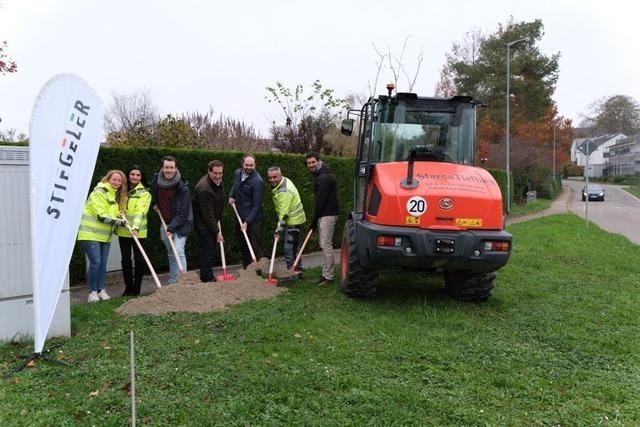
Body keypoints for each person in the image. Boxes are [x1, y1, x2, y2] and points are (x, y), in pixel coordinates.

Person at [77, 170, 128, 302]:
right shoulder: (99, 192)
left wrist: (121, 217)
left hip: (105, 236)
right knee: (96, 263)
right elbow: (101, 216)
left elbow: (113, 215)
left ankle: (101, 290)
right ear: (108, 179)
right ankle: (92, 292)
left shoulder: (114, 196)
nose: (116, 182)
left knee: (103, 264)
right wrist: (121, 222)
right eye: (114, 179)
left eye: (119, 180)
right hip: (90, 233)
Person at [151, 156, 193, 285]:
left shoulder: (182, 188)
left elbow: (183, 212)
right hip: (165, 221)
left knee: (178, 250)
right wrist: (156, 203)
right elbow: (154, 193)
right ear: (162, 168)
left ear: (176, 168)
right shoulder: (157, 181)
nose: (169, 170)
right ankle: (174, 281)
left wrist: (171, 228)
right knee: (171, 252)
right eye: (166, 167)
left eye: (172, 167)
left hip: (182, 223)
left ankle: (184, 283)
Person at [116, 165, 151, 296]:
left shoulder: (145, 194)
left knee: (140, 260)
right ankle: (128, 287)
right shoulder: (121, 192)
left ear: (141, 177)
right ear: (128, 175)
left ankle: (137, 288)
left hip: (138, 232)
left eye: (138, 175)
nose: (135, 177)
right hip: (123, 231)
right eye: (132, 174)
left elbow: (140, 212)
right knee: (125, 259)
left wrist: (135, 227)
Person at [305, 152, 339, 286]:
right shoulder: (322, 175)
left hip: (328, 215)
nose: (311, 165)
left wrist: (313, 221)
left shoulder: (323, 178)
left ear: (319, 161)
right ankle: (325, 274)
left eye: (313, 162)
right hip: (325, 214)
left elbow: (320, 201)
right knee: (324, 244)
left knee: (325, 244)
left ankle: (329, 276)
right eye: (308, 163)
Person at [267, 166, 306, 277]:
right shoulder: (283, 182)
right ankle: (298, 272)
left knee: (289, 249)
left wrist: (278, 231)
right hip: (293, 219)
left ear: (280, 175)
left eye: (275, 177)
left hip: (293, 221)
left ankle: (292, 273)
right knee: (294, 247)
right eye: (270, 178)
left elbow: (283, 214)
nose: (272, 180)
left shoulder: (284, 190)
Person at [228, 154, 264, 268]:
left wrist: (247, 222)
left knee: (253, 247)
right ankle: (246, 270)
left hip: (253, 220)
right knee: (243, 245)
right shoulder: (238, 173)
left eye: (251, 165)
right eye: (247, 165)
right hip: (240, 216)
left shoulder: (258, 182)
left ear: (255, 165)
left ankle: (256, 272)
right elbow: (235, 185)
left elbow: (257, 205)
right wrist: (231, 195)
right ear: (242, 164)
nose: (249, 167)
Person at [192, 160, 225, 283]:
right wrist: (217, 232)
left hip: (211, 221)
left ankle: (208, 275)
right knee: (207, 250)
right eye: (215, 173)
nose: (218, 176)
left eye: (220, 173)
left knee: (210, 250)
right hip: (203, 224)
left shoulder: (217, 182)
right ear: (209, 171)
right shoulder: (204, 188)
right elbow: (207, 214)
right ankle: (207, 279)